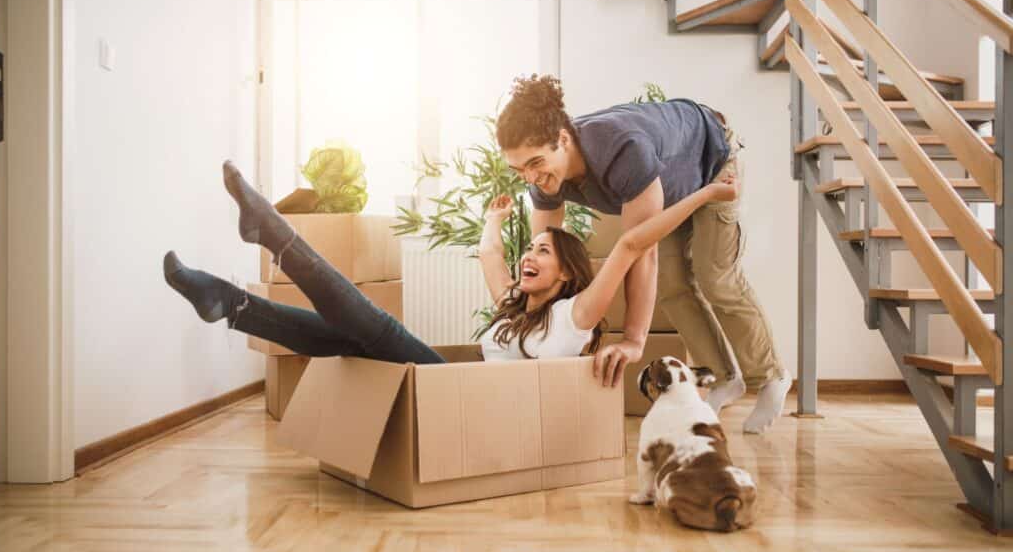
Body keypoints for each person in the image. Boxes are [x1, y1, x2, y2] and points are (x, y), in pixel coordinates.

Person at [163, 162, 736, 372]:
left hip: (463, 403)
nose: (530, 256)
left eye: (544, 253)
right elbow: (491, 254)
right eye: (531, 249)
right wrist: (494, 219)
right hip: (450, 388)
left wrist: (706, 195)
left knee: (376, 329)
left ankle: (274, 238)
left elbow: (634, 244)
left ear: (567, 275)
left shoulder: (575, 317)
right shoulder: (513, 309)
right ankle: (231, 305)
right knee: (352, 339)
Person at [497, 74, 789, 433]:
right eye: (519, 169)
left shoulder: (621, 150)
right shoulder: (543, 176)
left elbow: (641, 251)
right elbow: (543, 256)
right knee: (673, 288)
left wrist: (634, 341)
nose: (530, 178)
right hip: (669, 187)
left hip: (713, 168)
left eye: (536, 163)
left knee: (716, 278)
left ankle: (771, 376)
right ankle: (724, 379)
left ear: (562, 139)